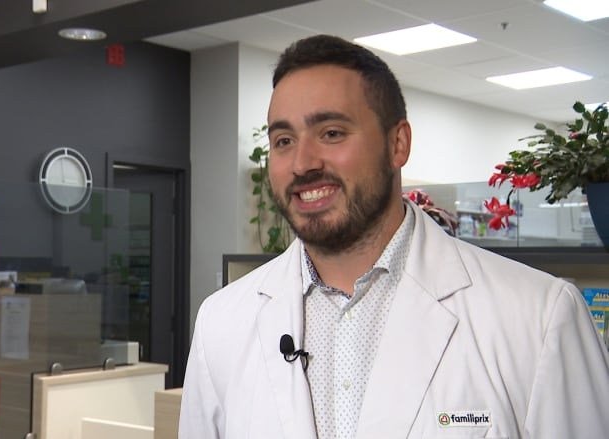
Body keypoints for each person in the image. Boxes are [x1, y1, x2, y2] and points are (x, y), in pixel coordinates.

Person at [178, 35, 609, 439]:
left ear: (397, 143)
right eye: (284, 140)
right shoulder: (222, 322)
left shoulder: (536, 316)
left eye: (331, 133)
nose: (302, 162)